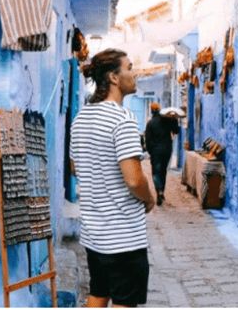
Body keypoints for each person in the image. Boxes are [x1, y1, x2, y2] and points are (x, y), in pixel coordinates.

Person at [70, 48, 156, 308]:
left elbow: (76, 168)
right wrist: (149, 197)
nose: (135, 73)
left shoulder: (81, 118)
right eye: (129, 68)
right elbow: (133, 179)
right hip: (124, 236)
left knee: (98, 293)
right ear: (114, 78)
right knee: (123, 301)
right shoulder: (123, 119)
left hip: (95, 233)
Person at [144, 103, 180, 206]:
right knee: (163, 171)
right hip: (167, 150)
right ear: (159, 110)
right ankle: (162, 192)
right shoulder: (168, 120)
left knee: (156, 172)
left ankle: (159, 190)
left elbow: (148, 140)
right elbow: (176, 131)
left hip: (156, 152)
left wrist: (150, 151)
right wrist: (175, 119)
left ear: (151, 111)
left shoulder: (150, 123)